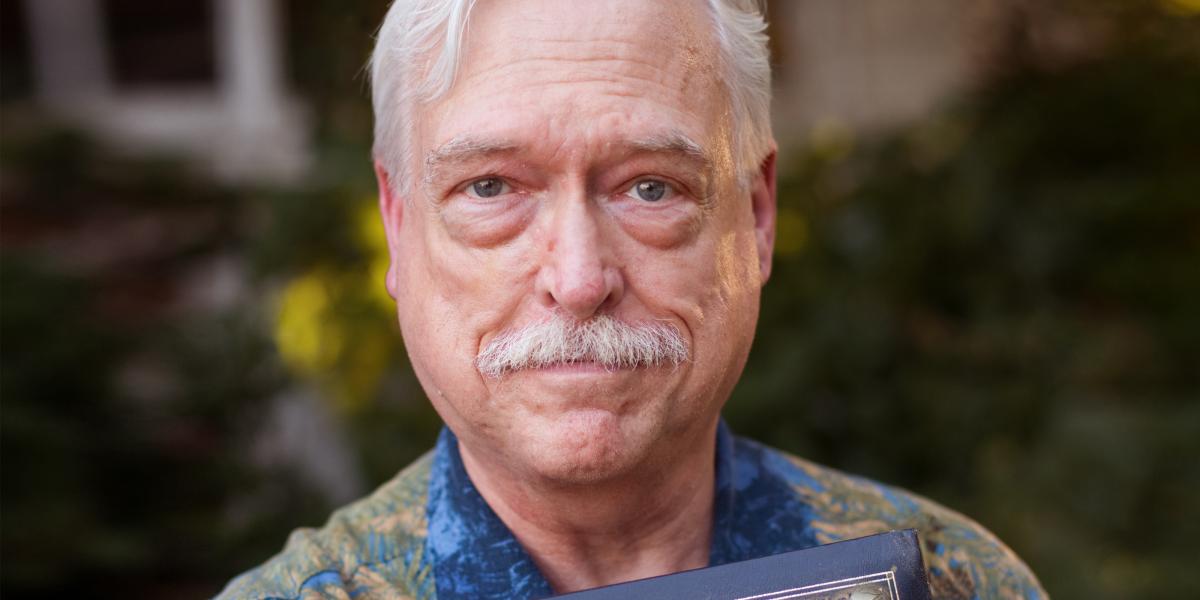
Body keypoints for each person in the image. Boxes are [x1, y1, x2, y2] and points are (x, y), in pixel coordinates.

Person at [219, 0, 1046, 598]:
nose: (578, 281)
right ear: (398, 227)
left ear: (756, 217)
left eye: (650, 187)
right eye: (491, 188)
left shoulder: (958, 582)